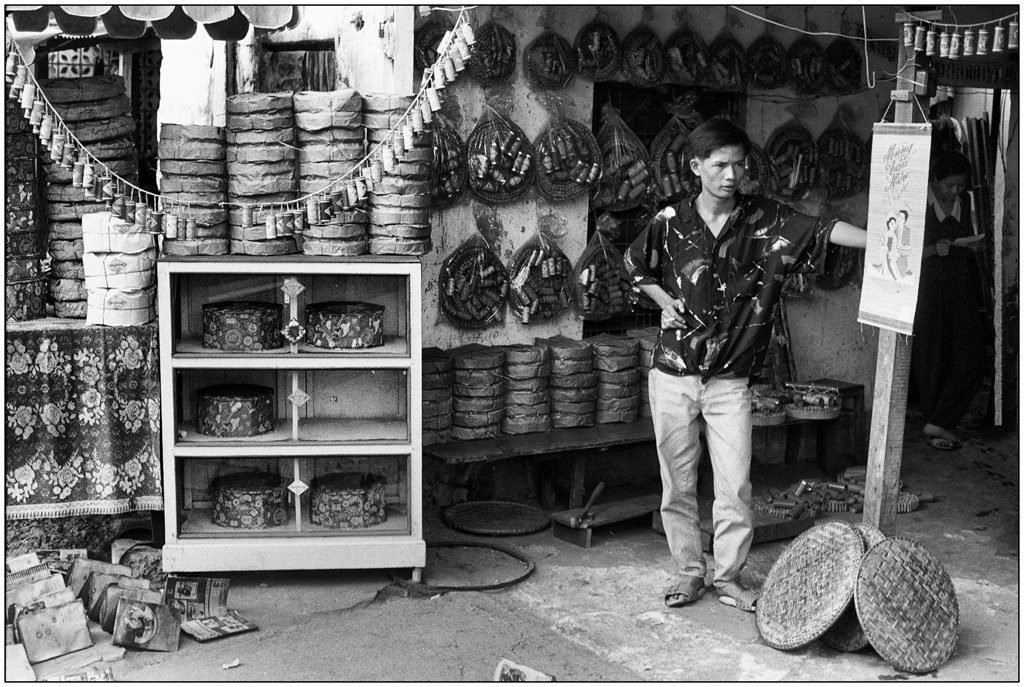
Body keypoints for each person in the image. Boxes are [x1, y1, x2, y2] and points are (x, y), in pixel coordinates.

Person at [624, 118, 867, 612]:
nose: (732, 174)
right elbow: (635, 266)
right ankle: (689, 572)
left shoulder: (767, 218)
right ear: (696, 167)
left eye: (739, 164)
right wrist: (661, 298)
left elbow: (822, 228)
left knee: (735, 484)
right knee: (678, 483)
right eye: (720, 165)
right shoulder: (669, 220)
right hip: (672, 374)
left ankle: (729, 578)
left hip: (730, 381)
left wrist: (887, 237)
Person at [912, 150, 987, 450]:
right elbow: (901, 249)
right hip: (927, 287)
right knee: (930, 356)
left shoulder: (966, 202)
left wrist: (971, 247)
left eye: (960, 185)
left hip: (959, 284)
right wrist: (933, 249)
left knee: (971, 356)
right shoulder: (920, 201)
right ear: (935, 182)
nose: (955, 191)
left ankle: (940, 420)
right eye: (949, 186)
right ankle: (935, 424)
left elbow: (970, 236)